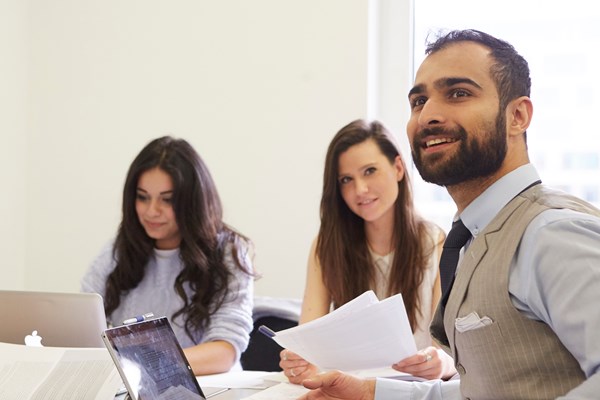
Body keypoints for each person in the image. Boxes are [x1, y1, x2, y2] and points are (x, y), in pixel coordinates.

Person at [298, 29, 600, 400]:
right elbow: (480, 391)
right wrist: (369, 393)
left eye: (458, 93)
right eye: (419, 101)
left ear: (517, 116)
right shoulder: (473, 239)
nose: (429, 115)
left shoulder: (552, 232)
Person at [280, 119, 456, 383]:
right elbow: (307, 339)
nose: (359, 190)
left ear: (398, 168)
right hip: (349, 389)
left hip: (413, 390)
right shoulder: (327, 246)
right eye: (346, 180)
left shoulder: (436, 243)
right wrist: (299, 362)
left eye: (370, 171)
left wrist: (440, 363)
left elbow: (446, 351)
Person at [81, 136, 255, 376]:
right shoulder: (118, 251)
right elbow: (82, 321)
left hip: (207, 387)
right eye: (142, 197)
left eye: (167, 200)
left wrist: (142, 363)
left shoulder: (228, 252)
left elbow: (225, 351)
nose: (152, 211)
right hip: (137, 385)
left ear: (192, 202)